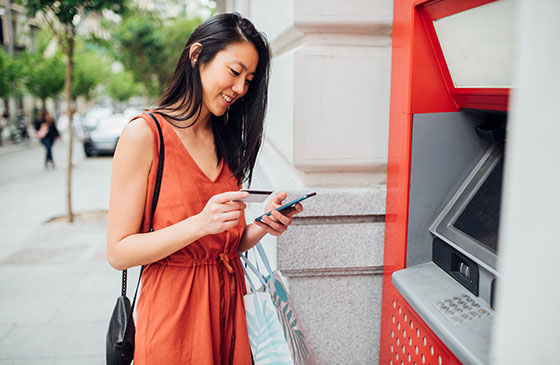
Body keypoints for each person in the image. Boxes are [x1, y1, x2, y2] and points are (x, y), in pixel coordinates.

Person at [106, 13, 303, 364]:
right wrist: (200, 223)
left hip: (230, 309)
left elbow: (224, 244)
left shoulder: (226, 140)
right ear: (197, 55)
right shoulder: (145, 135)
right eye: (234, 71)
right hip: (175, 318)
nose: (241, 88)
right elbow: (119, 251)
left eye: (249, 79)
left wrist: (261, 226)